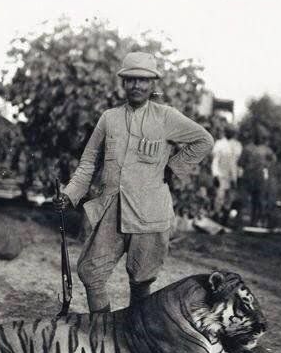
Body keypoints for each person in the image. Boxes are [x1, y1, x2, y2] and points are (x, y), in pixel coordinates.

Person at [54, 51, 214, 313]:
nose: (136, 85)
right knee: (90, 272)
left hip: (150, 215)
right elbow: (88, 162)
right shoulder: (109, 118)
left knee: (141, 281)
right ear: (123, 83)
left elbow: (203, 140)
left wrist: (174, 167)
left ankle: (136, 339)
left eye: (143, 80)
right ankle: (104, 332)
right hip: (112, 211)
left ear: (153, 85)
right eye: (130, 80)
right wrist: (69, 194)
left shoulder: (166, 117)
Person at [239, 121, 277, 227]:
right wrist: (265, 165)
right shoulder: (264, 149)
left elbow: (241, 163)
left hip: (253, 176)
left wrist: (263, 165)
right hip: (256, 177)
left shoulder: (249, 148)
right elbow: (273, 160)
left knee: (253, 199)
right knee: (256, 199)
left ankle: (253, 221)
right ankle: (253, 221)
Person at [211, 123, 242, 223]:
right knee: (219, 196)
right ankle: (216, 216)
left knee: (230, 197)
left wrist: (238, 176)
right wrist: (215, 174)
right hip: (221, 174)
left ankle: (225, 218)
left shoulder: (238, 145)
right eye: (229, 131)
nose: (231, 133)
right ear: (226, 132)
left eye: (232, 132)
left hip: (232, 175)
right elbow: (215, 160)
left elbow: (238, 163)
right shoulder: (219, 143)